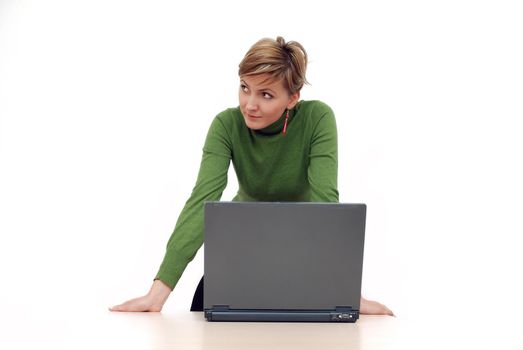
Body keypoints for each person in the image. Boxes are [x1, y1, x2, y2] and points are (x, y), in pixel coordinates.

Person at [110, 36, 394, 316]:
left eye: (266, 94)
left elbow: (325, 204)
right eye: (245, 88)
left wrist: (346, 292)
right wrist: (158, 293)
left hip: (302, 261)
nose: (249, 104)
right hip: (241, 258)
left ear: (293, 98)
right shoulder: (227, 125)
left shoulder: (317, 119)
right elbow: (202, 202)